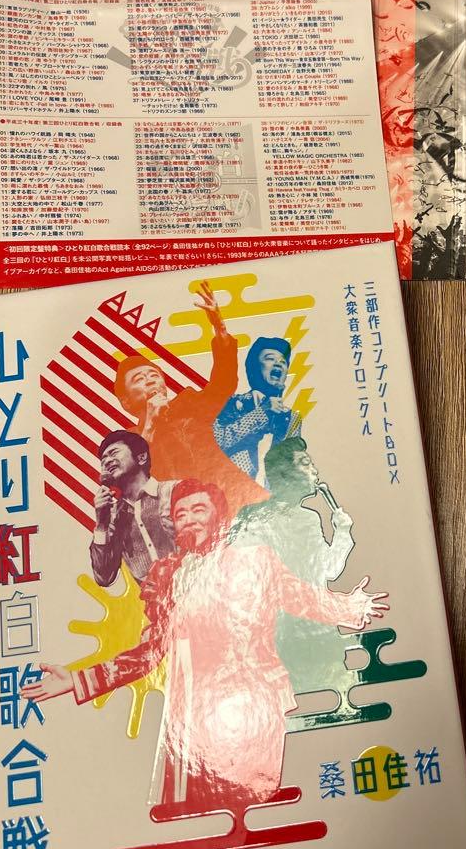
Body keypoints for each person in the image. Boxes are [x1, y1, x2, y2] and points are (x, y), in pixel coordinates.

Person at [21, 479, 388, 809]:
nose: (189, 520)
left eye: (199, 509)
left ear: (219, 517)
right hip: (193, 717)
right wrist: (77, 680)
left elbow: (304, 599)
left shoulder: (256, 560)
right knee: (201, 810)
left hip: (256, 707)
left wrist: (353, 608)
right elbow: (149, 652)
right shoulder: (166, 576)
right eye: (181, 514)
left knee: (255, 802)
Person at [113, 280, 266, 516]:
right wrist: (151, 422)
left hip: (237, 497)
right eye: (139, 379)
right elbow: (132, 480)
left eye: (154, 375)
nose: (150, 380)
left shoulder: (189, 403)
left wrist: (220, 329)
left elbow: (223, 384)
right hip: (189, 517)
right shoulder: (128, 441)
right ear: (126, 402)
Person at [232, 437, 356, 698]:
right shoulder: (252, 518)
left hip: (314, 631)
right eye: (306, 463)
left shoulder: (309, 518)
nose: (315, 470)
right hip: (278, 635)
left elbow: (327, 570)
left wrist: (342, 531)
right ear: (284, 474)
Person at [90, 431, 176, 587]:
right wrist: (101, 525)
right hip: (155, 600)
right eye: (103, 460)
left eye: (114, 453)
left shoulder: (174, 492)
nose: (107, 461)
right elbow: (103, 577)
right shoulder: (114, 518)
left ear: (141, 457)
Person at [213, 336, 298, 483]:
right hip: (231, 488)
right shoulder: (231, 403)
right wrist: (262, 413)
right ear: (254, 368)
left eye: (283, 362)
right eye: (270, 358)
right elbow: (216, 442)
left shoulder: (292, 418)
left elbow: (292, 465)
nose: (278, 363)